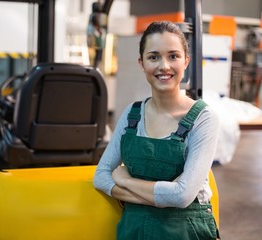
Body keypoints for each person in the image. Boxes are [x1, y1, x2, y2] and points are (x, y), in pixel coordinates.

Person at [94, 21, 220, 240]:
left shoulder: (204, 119)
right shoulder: (131, 115)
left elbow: (182, 195)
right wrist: (162, 197)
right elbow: (101, 177)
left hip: (185, 231)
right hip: (134, 230)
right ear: (142, 63)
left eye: (173, 56)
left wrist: (124, 180)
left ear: (186, 61)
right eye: (154, 57)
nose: (164, 66)